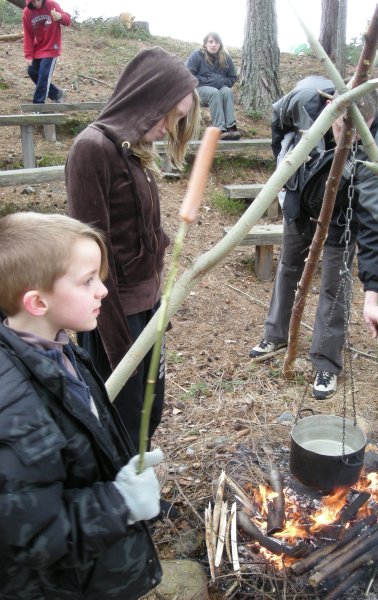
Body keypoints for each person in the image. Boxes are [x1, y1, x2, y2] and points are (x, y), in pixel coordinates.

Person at [0, 212, 163, 599]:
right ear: (37, 302)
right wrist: (119, 503)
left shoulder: (55, 345)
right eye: (87, 280)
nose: (103, 289)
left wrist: (116, 466)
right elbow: (34, 533)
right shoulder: (14, 410)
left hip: (90, 570)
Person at [66, 47, 200, 452]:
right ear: (147, 99)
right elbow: (93, 255)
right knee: (120, 416)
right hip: (115, 315)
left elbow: (140, 233)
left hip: (146, 309)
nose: (167, 129)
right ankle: (119, 506)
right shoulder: (92, 149)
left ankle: (137, 490)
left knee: (149, 408)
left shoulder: (132, 152)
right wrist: (118, 342)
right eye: (169, 116)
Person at [250, 75, 378, 400]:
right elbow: (278, 120)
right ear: (332, 106)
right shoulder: (305, 98)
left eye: (361, 128)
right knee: (289, 267)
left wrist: (372, 294)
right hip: (300, 197)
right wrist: (285, 165)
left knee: (335, 282)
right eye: (345, 124)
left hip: (342, 214)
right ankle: (276, 334)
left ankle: (327, 361)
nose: (352, 136)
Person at [186, 32, 240, 140]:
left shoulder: (225, 57)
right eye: (210, 42)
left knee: (227, 92)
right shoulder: (196, 55)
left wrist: (222, 81)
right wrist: (211, 81)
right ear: (205, 44)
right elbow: (188, 76)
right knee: (214, 93)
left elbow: (232, 77)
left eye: (216, 42)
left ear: (220, 44)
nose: (213, 45)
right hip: (196, 90)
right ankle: (219, 129)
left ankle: (231, 127)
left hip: (219, 88)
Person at [22, 0, 71, 104]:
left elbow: (67, 21)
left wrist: (60, 17)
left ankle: (38, 105)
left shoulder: (51, 5)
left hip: (51, 47)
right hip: (38, 48)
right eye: (34, 2)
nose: (37, 4)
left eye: (38, 0)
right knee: (31, 71)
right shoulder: (27, 12)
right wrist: (28, 55)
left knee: (44, 74)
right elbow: (28, 35)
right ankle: (56, 93)